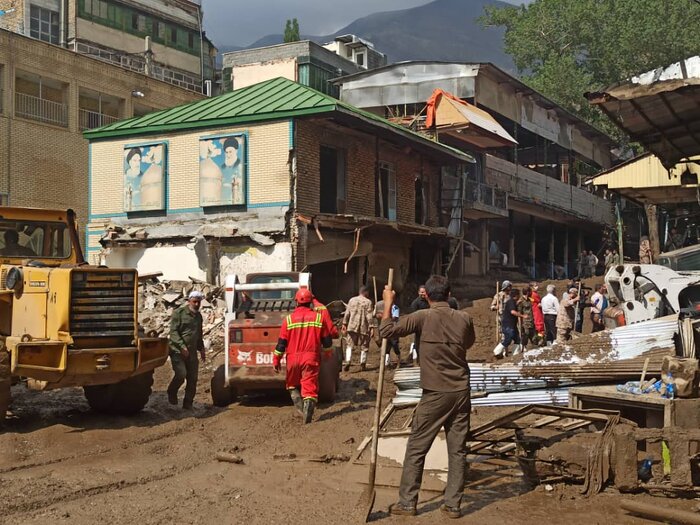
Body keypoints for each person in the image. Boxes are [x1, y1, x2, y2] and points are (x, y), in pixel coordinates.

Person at [379, 275, 475, 519]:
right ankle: (453, 505)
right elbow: (469, 343)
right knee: (458, 451)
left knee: (416, 448)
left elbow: (386, 330)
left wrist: (388, 302)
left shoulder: (423, 317)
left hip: (435, 393)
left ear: (427, 296)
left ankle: (407, 502)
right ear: (449, 293)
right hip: (461, 392)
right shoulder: (464, 318)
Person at [274, 288, 333, 424]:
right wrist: (328, 353)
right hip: (310, 358)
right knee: (309, 386)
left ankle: (300, 407)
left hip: (292, 359)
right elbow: (327, 341)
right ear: (311, 302)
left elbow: (281, 344)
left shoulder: (288, 320)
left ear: (296, 302)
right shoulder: (319, 318)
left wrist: (276, 360)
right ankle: (308, 411)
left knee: (292, 385)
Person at [168, 290, 206, 409]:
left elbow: (199, 334)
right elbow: (173, 332)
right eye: (194, 302)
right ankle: (172, 391)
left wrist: (202, 349)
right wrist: (182, 346)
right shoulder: (179, 313)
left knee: (193, 378)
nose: (196, 304)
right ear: (189, 301)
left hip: (192, 352)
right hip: (177, 351)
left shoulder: (198, 316)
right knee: (181, 374)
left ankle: (188, 403)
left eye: (198, 302)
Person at [341, 286, 374, 371]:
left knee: (349, 344)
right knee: (364, 345)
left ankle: (348, 360)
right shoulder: (368, 302)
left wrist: (344, 324)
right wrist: (371, 327)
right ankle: (363, 363)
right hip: (364, 327)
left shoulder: (352, 300)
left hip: (352, 325)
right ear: (366, 292)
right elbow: (369, 316)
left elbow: (347, 313)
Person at [493, 288, 528, 358]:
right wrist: (522, 315)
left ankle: (515, 355)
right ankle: (496, 351)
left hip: (512, 325)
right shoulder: (511, 302)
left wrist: (518, 303)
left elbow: (513, 307)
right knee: (508, 339)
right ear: (516, 295)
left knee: (517, 339)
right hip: (508, 325)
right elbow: (512, 311)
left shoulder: (512, 302)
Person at [375, 299, 401, 368]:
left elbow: (394, 317)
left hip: (393, 329)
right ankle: (386, 362)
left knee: (394, 344)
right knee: (386, 346)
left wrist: (384, 316)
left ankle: (398, 359)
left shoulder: (395, 307)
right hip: (384, 328)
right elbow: (377, 316)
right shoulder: (383, 307)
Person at [409, 285, 429, 365]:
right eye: (421, 292)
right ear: (418, 292)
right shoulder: (415, 303)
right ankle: (418, 360)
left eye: (424, 292)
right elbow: (413, 316)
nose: (422, 294)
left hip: (429, 326)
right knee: (418, 343)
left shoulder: (429, 301)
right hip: (419, 327)